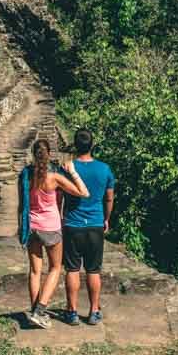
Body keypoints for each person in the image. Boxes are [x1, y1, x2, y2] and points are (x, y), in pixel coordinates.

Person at [17, 137, 88, 329]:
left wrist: (20, 227)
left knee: (34, 271)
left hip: (31, 227)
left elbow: (20, 205)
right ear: (49, 155)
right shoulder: (53, 177)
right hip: (50, 227)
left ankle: (34, 312)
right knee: (55, 268)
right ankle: (40, 311)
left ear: (33, 154)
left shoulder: (25, 175)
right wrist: (72, 172)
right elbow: (83, 192)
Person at [60, 129, 115, 326]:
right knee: (93, 270)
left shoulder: (66, 168)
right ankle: (93, 311)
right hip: (95, 224)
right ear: (92, 145)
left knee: (72, 269)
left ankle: (72, 311)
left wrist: (61, 217)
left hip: (73, 224)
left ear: (75, 146)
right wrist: (106, 219)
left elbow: (60, 196)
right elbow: (109, 198)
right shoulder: (104, 169)